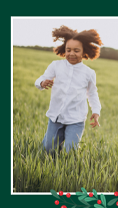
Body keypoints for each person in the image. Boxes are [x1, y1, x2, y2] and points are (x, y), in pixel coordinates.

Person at [35, 25, 102, 154]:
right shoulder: (56, 65)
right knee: (49, 150)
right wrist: (42, 83)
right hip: (56, 117)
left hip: (76, 119)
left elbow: (93, 93)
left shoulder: (89, 73)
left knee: (69, 152)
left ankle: (67, 169)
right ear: (64, 50)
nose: (71, 53)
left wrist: (96, 111)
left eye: (76, 50)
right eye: (68, 50)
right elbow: (41, 78)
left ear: (83, 52)